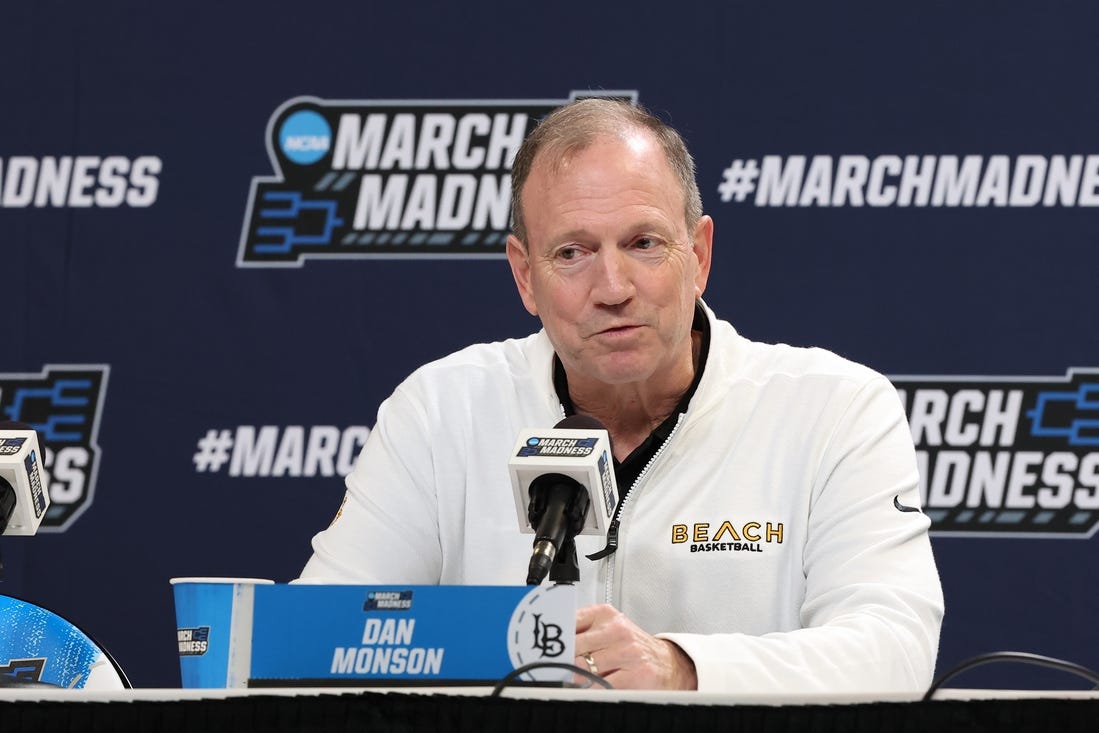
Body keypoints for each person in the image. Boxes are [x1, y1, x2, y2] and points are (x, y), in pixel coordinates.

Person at [299, 98, 944, 694]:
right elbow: (315, 636)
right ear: (526, 277)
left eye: (643, 243)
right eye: (573, 252)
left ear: (699, 254)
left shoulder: (834, 411)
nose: (613, 286)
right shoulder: (442, 412)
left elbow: (894, 648)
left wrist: (683, 669)